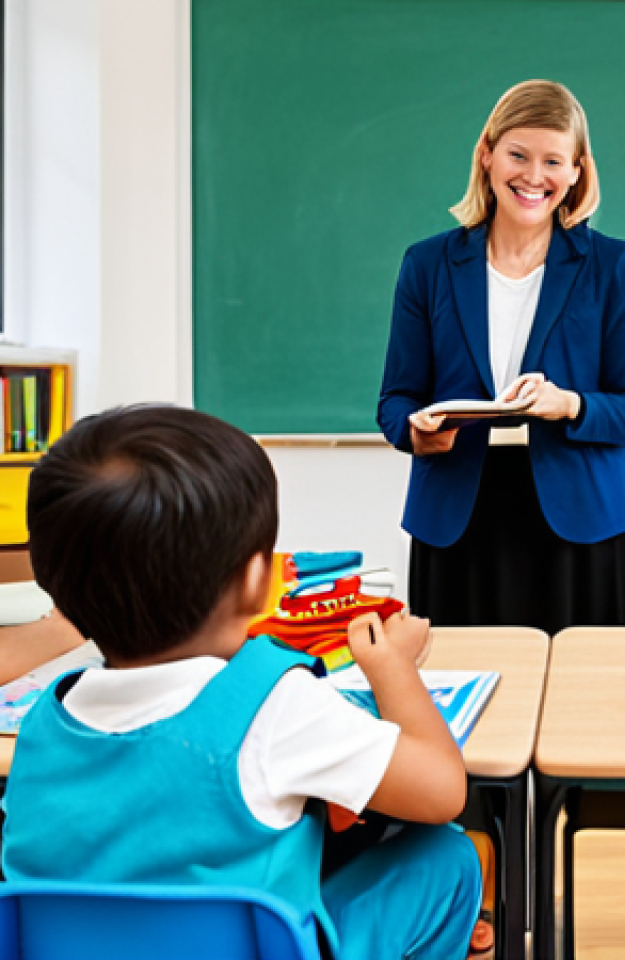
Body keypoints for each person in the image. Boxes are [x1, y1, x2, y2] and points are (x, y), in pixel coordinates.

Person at [1, 405, 482, 960]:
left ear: (55, 589)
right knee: (445, 859)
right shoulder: (274, 705)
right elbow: (442, 792)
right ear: (258, 581)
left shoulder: (44, 721)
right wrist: (392, 665)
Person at [378, 79, 625, 635]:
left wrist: (570, 404)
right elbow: (396, 400)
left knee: (586, 686)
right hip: (458, 522)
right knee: (466, 684)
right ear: (487, 154)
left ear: (577, 171)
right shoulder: (427, 265)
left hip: (584, 525)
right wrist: (416, 432)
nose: (534, 176)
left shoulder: (610, 265)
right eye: (518, 155)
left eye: (553, 161)